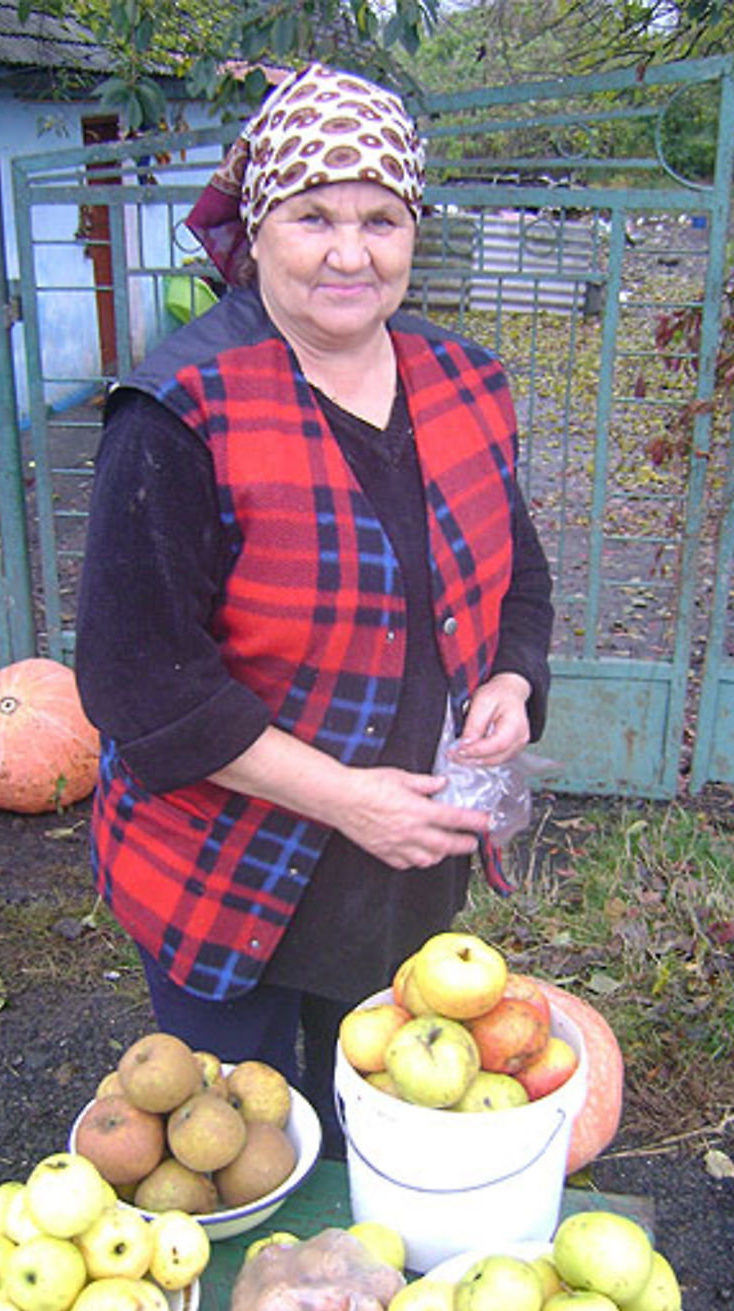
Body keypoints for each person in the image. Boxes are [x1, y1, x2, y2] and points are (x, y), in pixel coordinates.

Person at [74, 63, 553, 1158]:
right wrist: (345, 798)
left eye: (381, 217)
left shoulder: (465, 382)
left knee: (373, 1139)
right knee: (242, 1150)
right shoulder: (180, 410)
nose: (351, 251)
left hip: (399, 871)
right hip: (226, 872)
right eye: (314, 216)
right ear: (260, 223)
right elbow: (139, 682)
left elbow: (514, 572)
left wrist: (513, 679)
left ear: (413, 227)